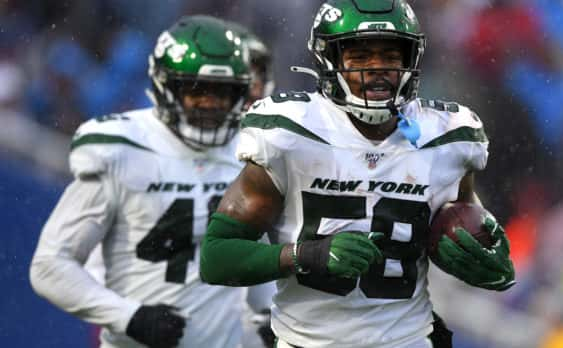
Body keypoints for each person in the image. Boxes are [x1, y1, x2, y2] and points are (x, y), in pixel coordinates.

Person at [200, 1, 515, 348]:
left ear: (410, 59)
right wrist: (306, 255)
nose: (376, 69)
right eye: (360, 56)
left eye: (390, 56)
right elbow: (217, 257)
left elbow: (466, 222)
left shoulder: (448, 137)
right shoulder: (290, 133)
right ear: (329, 59)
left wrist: (492, 259)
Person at [30, 15, 273, 348]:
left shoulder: (247, 153)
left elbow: (248, 255)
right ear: (165, 85)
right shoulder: (121, 147)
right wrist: (128, 316)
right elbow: (49, 265)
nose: (210, 104)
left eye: (223, 92)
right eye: (197, 90)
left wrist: (270, 317)